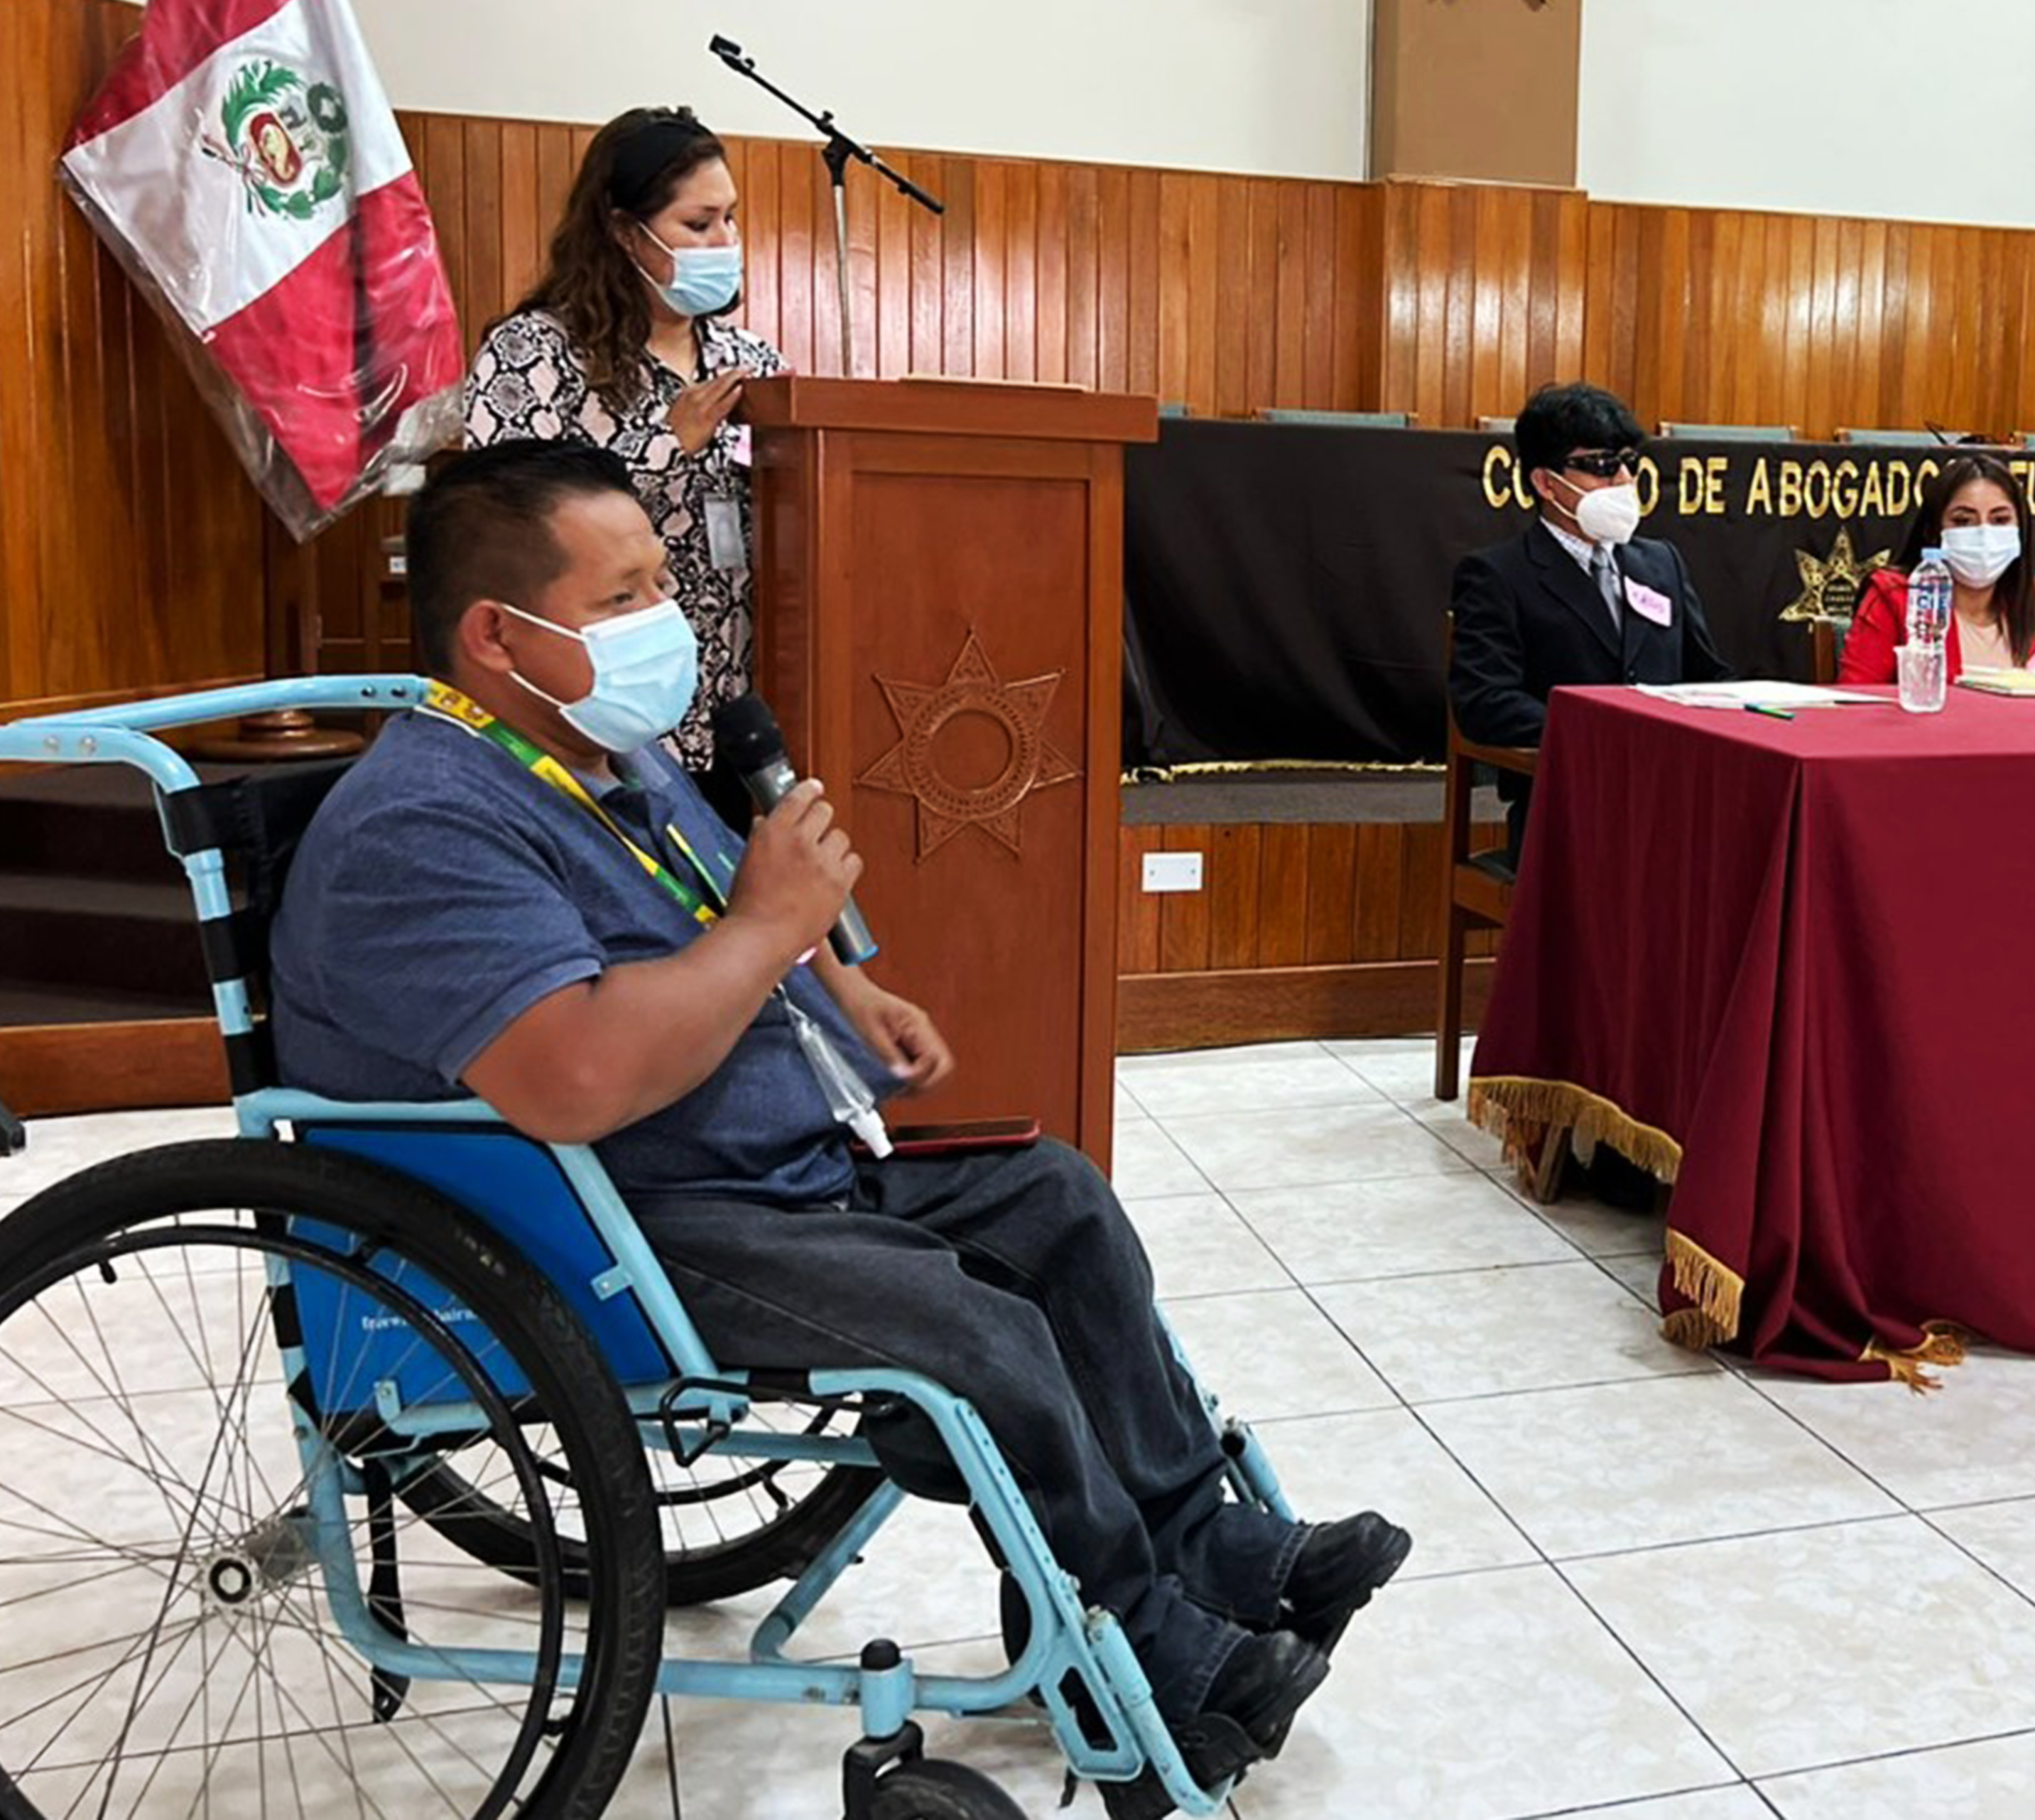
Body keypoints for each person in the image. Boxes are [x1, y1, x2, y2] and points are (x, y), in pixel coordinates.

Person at [267, 442, 1405, 1816]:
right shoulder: (428, 824)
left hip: (758, 1168)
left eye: (659, 587)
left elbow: (722, 914)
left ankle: (1206, 1550)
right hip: (620, 1229)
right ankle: (1142, 1654)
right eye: (623, 596)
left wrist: (842, 981)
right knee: (978, 1332)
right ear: (499, 636)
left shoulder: (599, 762)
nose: (664, 623)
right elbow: (572, 1079)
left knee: (1057, 1203)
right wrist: (767, 926)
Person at [460, 107, 784, 830]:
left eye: (730, 220)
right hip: (603, 718)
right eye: (698, 225)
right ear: (620, 228)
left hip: (742, 719)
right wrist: (666, 444)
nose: (724, 243)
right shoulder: (533, 354)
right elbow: (512, 528)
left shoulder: (753, 365)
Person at [1448, 381, 1732, 852]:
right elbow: (1485, 702)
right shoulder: (1497, 574)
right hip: (1568, 801)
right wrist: (1605, 736)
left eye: (1628, 463)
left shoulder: (1660, 562)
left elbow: (1705, 673)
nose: (1622, 481)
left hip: (1672, 794)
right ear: (1544, 482)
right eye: (1601, 467)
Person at [1838, 450, 2035, 682]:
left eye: (2000, 520)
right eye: (1963, 521)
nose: (1983, 534)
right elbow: (1853, 708)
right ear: (1934, 531)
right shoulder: (1896, 598)